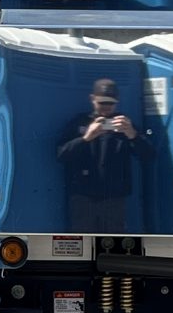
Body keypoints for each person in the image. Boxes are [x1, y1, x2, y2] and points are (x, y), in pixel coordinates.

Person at [56, 77, 146, 233]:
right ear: (93, 99)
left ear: (117, 101)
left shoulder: (124, 125)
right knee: (83, 244)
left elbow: (148, 156)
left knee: (113, 246)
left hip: (114, 199)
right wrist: (86, 138)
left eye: (110, 103)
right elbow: (61, 155)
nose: (106, 107)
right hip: (83, 197)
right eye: (102, 102)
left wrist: (132, 134)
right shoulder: (80, 123)